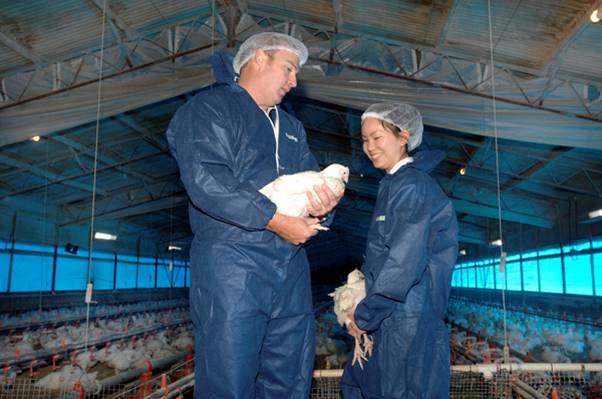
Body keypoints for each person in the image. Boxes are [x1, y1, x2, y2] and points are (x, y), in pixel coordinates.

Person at [166, 32, 343, 398]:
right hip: (234, 261)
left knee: (290, 373)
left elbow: (311, 181)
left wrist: (323, 208)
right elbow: (207, 180)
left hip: (290, 264)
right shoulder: (209, 109)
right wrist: (275, 220)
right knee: (230, 375)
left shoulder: (292, 127)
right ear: (259, 58)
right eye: (289, 68)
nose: (294, 81)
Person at [341, 103, 458, 398]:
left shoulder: (412, 186)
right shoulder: (393, 184)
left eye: (377, 138)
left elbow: (404, 261)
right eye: (365, 140)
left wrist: (364, 315)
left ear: (403, 136)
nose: (369, 147)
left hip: (408, 320)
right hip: (396, 318)